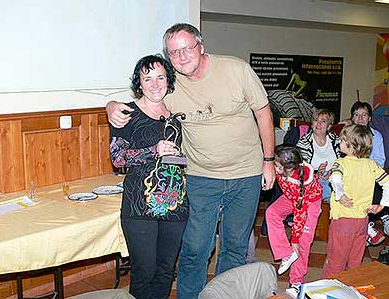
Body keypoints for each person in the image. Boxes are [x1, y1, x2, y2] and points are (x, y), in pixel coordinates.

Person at [106, 23, 275, 298]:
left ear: (201, 47)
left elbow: (264, 112)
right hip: (200, 178)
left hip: (246, 175)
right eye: (174, 52)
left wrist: (269, 160)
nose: (182, 56)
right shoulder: (170, 85)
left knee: (234, 247)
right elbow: (144, 100)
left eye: (187, 48)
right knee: (195, 248)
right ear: (168, 56)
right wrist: (111, 106)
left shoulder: (236, 69)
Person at [109, 54, 188, 299]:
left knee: (165, 270)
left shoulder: (177, 110)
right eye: (148, 78)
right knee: (144, 271)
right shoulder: (125, 113)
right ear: (139, 84)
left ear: (168, 80)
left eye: (160, 77)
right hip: (139, 206)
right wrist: (154, 150)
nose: (155, 84)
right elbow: (118, 158)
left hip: (175, 203)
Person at [322, 124, 389, 278]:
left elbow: (335, 178)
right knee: (355, 262)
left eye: (342, 140)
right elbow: (387, 183)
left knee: (335, 261)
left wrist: (340, 195)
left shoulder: (341, 163)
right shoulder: (372, 164)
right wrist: (382, 205)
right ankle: (351, 289)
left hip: (342, 221)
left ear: (351, 146)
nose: (339, 142)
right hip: (362, 222)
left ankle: (327, 289)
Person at [266, 144, 322, 288]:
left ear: (289, 168)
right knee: (272, 213)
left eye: (277, 167)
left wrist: (295, 239)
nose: (275, 169)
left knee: (302, 242)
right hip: (291, 197)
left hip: (310, 203)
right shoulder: (282, 168)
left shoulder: (300, 180)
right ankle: (286, 253)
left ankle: (296, 281)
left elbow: (300, 213)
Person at [351, 101, 388, 244]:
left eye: (364, 115)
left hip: (370, 172)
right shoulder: (347, 134)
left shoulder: (376, 136)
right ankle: (366, 228)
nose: (360, 118)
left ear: (370, 118)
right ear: (352, 118)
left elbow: (380, 160)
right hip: (351, 173)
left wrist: (366, 168)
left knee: (376, 182)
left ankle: (379, 220)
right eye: (357, 115)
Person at [297, 108, 341, 202]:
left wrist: (333, 171)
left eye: (323, 121)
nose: (319, 124)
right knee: (329, 190)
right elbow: (300, 171)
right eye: (316, 120)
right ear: (312, 123)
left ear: (329, 126)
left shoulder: (337, 141)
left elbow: (344, 162)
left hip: (336, 176)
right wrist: (317, 173)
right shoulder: (303, 143)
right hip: (313, 180)